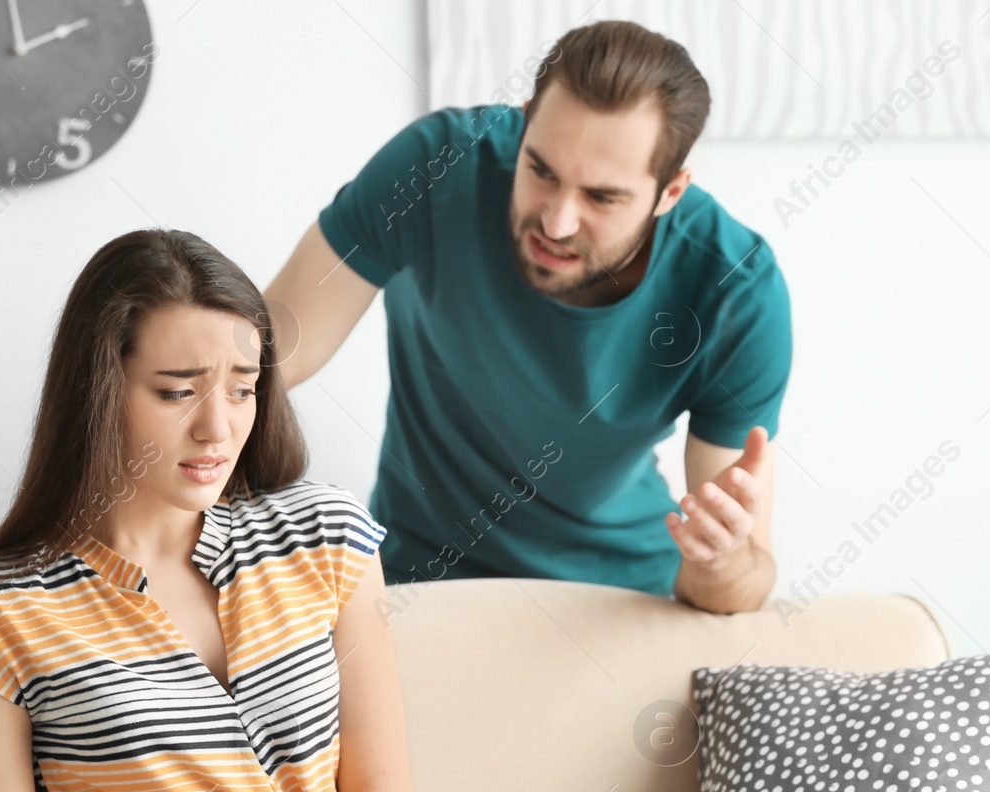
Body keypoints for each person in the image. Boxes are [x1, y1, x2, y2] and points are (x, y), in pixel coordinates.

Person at [0, 228, 762, 792]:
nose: (218, 426)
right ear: (101, 390)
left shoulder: (321, 537)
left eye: (243, 387)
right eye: (177, 390)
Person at [263, 19, 792, 615]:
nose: (557, 222)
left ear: (670, 192)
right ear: (521, 123)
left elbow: (733, 590)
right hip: (418, 583)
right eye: (540, 170)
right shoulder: (436, 168)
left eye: (601, 197)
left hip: (615, 600)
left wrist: (720, 559)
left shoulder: (735, 288)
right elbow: (271, 352)